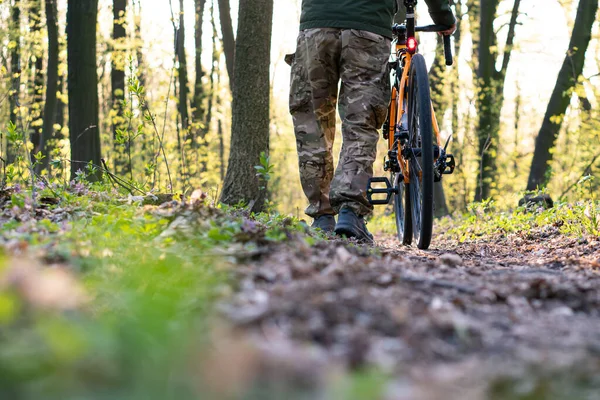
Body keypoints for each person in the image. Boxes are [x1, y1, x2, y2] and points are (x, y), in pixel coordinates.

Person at [289, 0, 456, 243]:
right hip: (369, 27)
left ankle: (322, 216)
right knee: (361, 123)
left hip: (317, 26)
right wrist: (444, 17)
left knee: (311, 123)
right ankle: (350, 212)